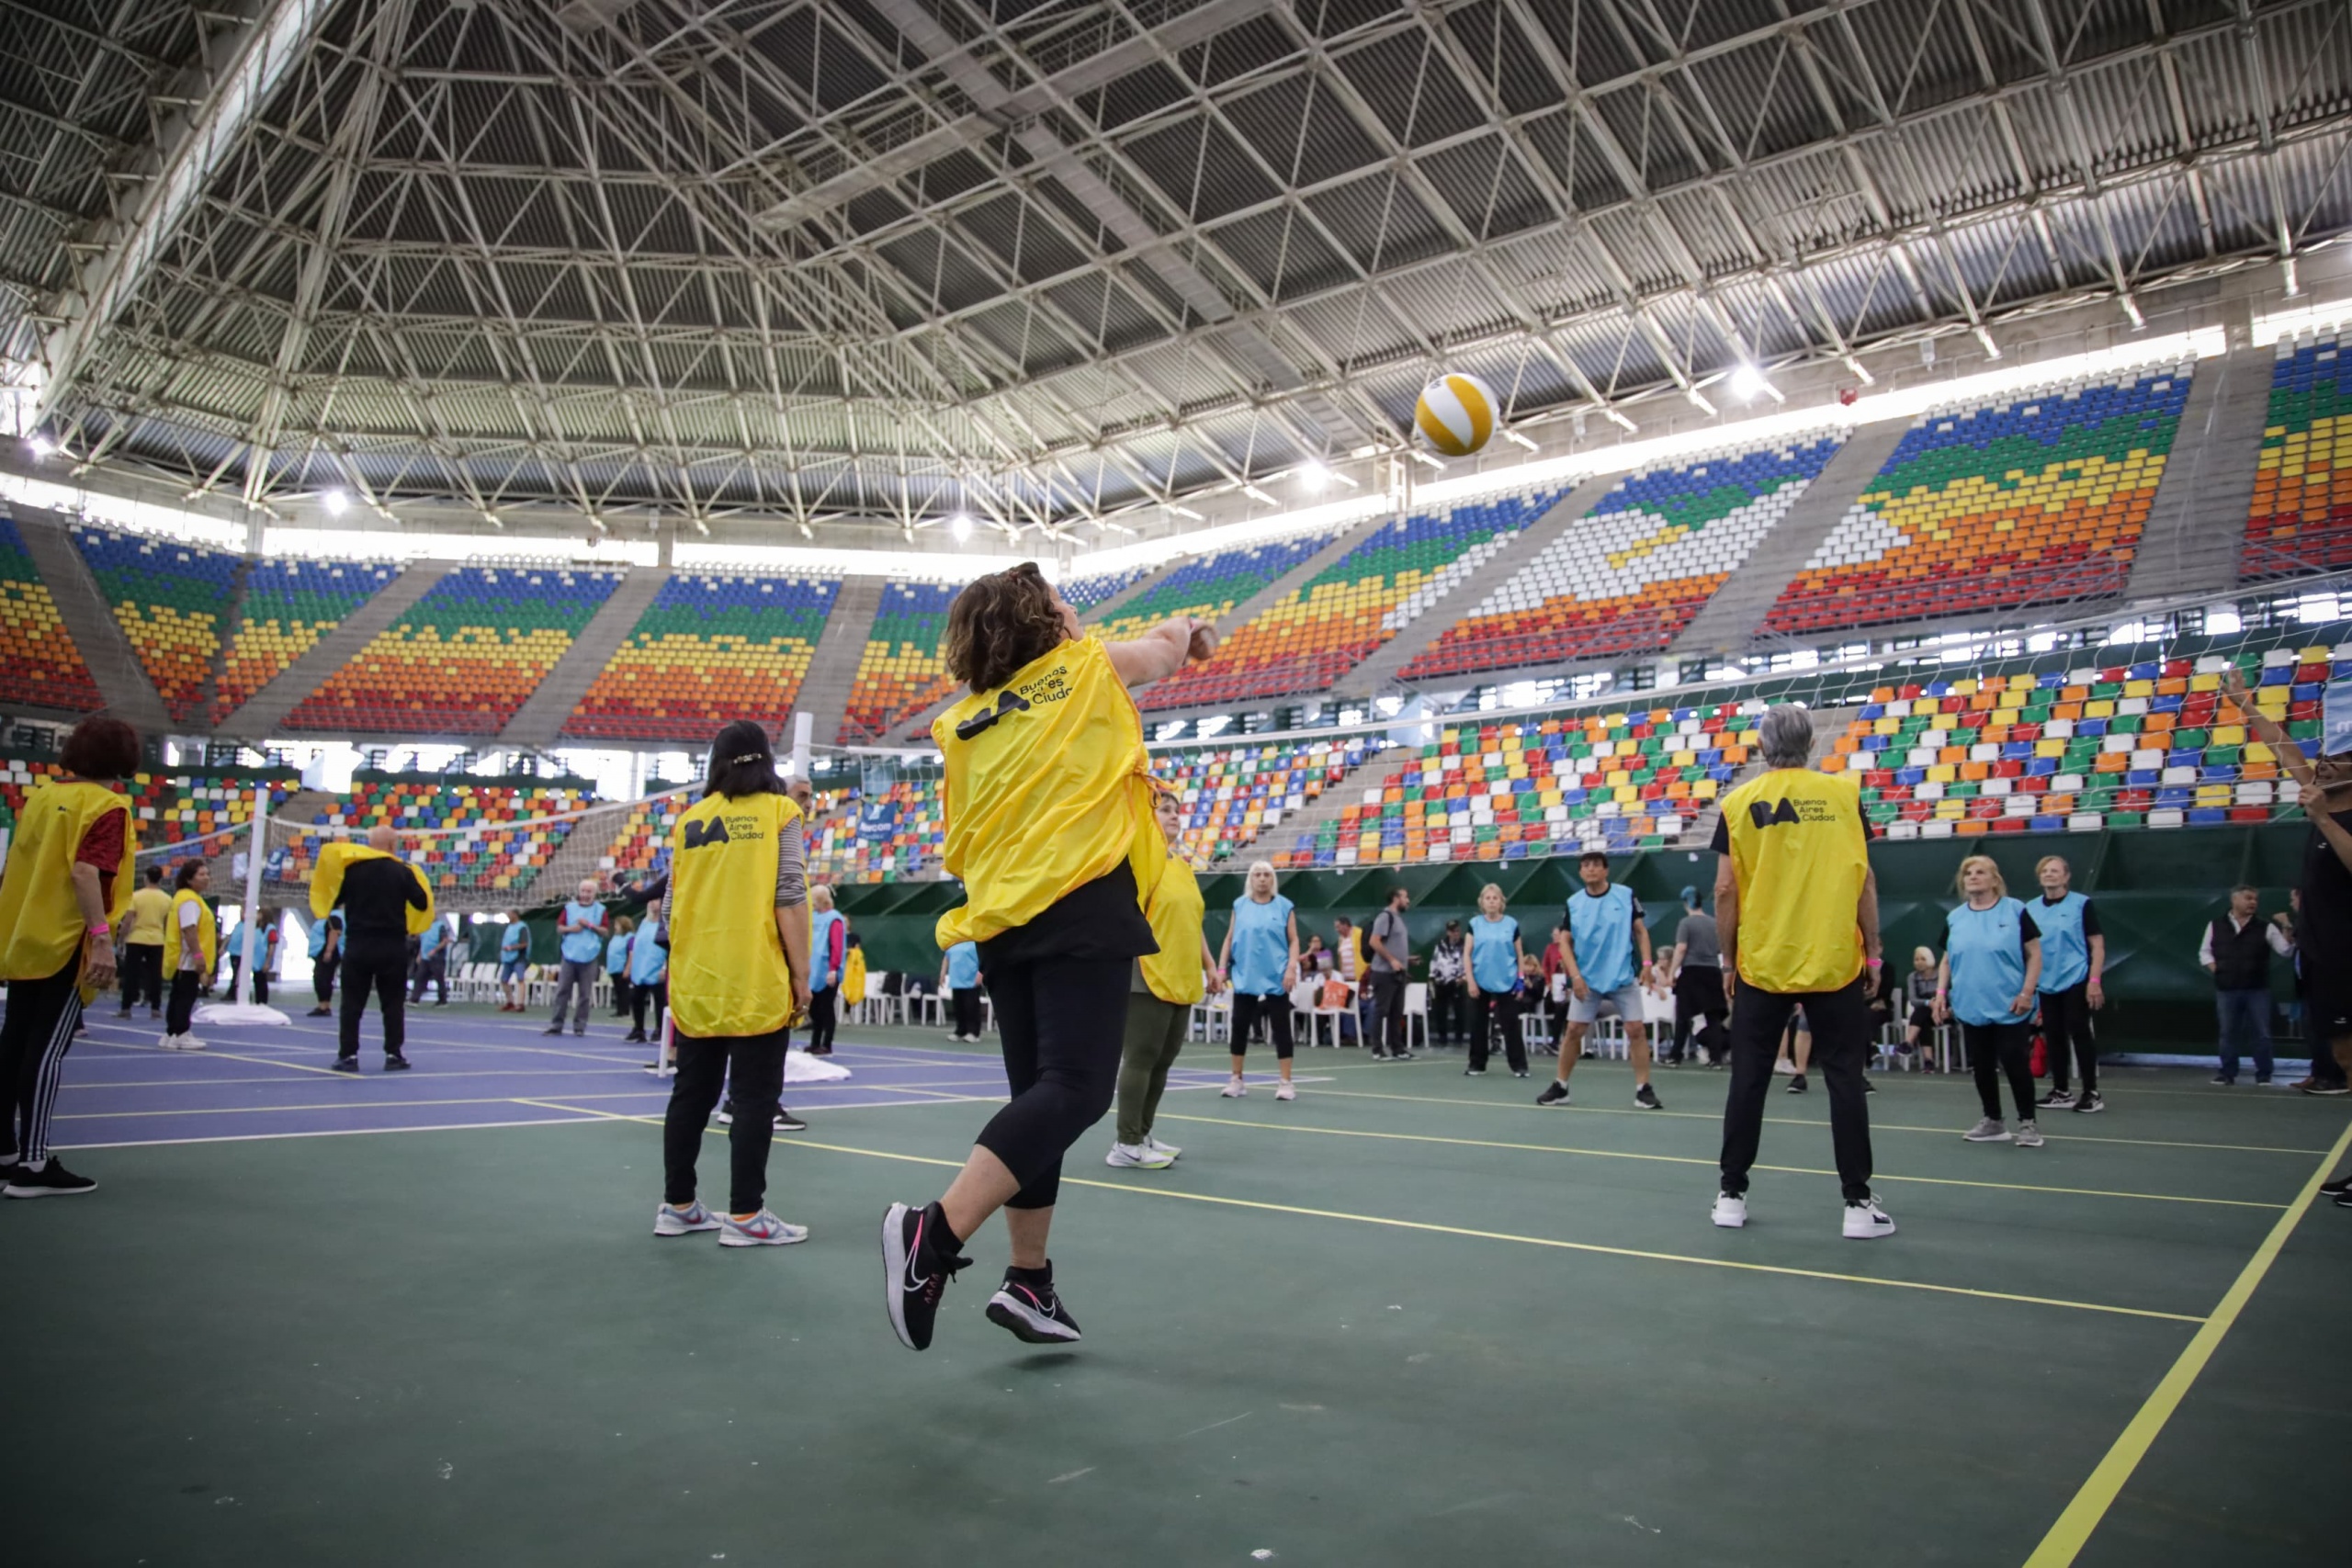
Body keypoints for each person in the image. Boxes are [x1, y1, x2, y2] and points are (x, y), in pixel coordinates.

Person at [880, 560, 1214, 1353]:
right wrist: (1189, 630)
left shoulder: (966, 721)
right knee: (1077, 1090)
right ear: (1042, 621)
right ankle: (934, 1234)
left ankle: (1029, 1281)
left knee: (1040, 1099)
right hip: (1078, 901)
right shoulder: (1085, 667)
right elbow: (1162, 653)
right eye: (1064, 602)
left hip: (1002, 921)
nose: (1075, 611)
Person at [1711, 703, 1891, 1239]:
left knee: (1749, 1080)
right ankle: (1857, 1206)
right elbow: (1865, 880)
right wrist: (1874, 951)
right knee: (1844, 1081)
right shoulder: (1845, 795)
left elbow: (1724, 891)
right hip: (1833, 959)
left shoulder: (1737, 802)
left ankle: (1731, 1195)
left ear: (1762, 747)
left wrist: (1728, 959)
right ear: (1811, 744)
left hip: (1762, 961)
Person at [654, 720, 813, 1248]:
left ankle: (678, 1206)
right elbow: (789, 893)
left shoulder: (689, 822)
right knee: (753, 1100)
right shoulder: (780, 813)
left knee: (690, 1096)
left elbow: (671, 908)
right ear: (767, 760)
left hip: (697, 977)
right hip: (754, 977)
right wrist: (801, 974)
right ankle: (746, 1215)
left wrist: (677, 965)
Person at [0, 716, 136, 1198]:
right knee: (45, 1050)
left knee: (12, 1044)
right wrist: (101, 936)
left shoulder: (39, 796)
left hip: (25, 938)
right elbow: (85, 873)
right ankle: (34, 1167)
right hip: (66, 944)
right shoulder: (107, 806)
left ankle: (6, 1153)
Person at [1108, 785, 1219, 1168]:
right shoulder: (1138, 863)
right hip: (1147, 974)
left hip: (1182, 975)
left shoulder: (1182, 866)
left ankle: (1142, 1134)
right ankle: (1125, 1144)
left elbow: (1193, 923)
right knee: (1140, 1058)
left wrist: (1210, 966)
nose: (1174, 815)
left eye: (1177, 810)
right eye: (1165, 810)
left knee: (1163, 1061)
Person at [1536, 850, 1663, 1110]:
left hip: (1622, 977)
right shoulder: (1574, 903)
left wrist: (1648, 964)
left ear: (1606, 870)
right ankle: (1560, 1086)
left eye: (1596, 865)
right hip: (1588, 981)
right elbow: (1564, 944)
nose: (1591, 869)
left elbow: (1641, 932)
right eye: (1585, 865)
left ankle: (1643, 1089)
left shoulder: (1625, 896)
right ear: (1581, 873)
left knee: (1636, 1030)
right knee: (1573, 1031)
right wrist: (1576, 977)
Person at [1937, 854, 2045, 1145]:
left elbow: (2034, 954)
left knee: (2014, 1060)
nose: (1973, 876)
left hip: (2010, 1003)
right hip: (1970, 1004)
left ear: (1994, 879)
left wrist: (2027, 992)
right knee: (1982, 1064)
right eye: (1968, 873)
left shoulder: (2015, 910)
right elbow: (1946, 960)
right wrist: (1940, 994)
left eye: (1980, 872)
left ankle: (2028, 1124)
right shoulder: (1955, 917)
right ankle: (1993, 1121)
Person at [313, 825, 432, 1072]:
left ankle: (348, 1055)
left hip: (359, 944)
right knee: (392, 1004)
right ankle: (393, 1053)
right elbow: (421, 903)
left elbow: (334, 900)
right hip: (391, 945)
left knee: (351, 1003)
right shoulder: (402, 871)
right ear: (391, 846)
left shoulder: (353, 870)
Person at [1215, 859, 1301, 1100]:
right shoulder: (1239, 905)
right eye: (1257, 875)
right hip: (1245, 974)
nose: (1262, 879)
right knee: (1239, 1026)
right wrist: (1222, 970)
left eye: (1266, 875)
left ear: (1273, 879)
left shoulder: (1285, 906)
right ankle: (1236, 1079)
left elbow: (1294, 940)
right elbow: (1229, 938)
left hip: (1277, 976)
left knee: (1281, 1027)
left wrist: (1291, 967)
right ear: (1250, 879)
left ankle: (1286, 1083)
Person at [2030, 855, 2107, 1113]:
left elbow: (2097, 944)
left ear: (2066, 876)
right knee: (2053, 1035)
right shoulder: (2030, 908)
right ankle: (2061, 1091)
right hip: (2046, 981)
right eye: (2045, 871)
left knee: (2079, 1030)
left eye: (2055, 871)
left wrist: (2094, 981)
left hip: (2076, 977)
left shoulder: (2081, 904)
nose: (2049, 874)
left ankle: (2091, 1092)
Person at [2199, 884, 2290, 1086]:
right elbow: (2204, 952)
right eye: (2248, 898)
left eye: (2255, 899)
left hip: (2257, 988)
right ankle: (2227, 1073)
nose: (2253, 903)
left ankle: (2264, 1073)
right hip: (2227, 988)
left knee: (2262, 1033)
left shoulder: (2265, 927)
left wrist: (2286, 927)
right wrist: (2217, 970)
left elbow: (2285, 951)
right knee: (2228, 1032)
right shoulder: (2215, 925)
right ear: (2234, 900)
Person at [1463, 883, 1526, 1077]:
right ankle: (1477, 1064)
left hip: (1506, 979)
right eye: (1488, 898)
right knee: (1477, 1023)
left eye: (1495, 898)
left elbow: (1519, 954)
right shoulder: (1474, 924)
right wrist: (1471, 981)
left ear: (1501, 902)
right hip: (1480, 979)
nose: (1491, 902)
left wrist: (1520, 980)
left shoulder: (1511, 924)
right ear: (1482, 902)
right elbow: (1467, 954)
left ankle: (1519, 1066)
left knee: (1510, 1024)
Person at [1666, 886, 1727, 1067]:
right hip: (1713, 972)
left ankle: (1675, 1056)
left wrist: (1672, 972)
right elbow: (1719, 948)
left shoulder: (1686, 923)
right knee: (1713, 1017)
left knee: (1683, 1015)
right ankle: (1716, 1058)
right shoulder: (1714, 923)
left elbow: (1681, 948)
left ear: (1686, 903)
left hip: (1692, 971)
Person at [162, 860, 215, 1051]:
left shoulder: (183, 898)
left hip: (183, 956)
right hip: (187, 957)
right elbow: (189, 929)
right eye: (201, 874)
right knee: (185, 995)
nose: (206, 877)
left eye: (207, 873)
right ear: (188, 878)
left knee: (177, 995)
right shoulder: (189, 901)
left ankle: (171, 1033)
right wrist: (198, 955)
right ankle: (181, 1032)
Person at [546, 880, 607, 1036]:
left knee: (585, 995)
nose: (586, 894)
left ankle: (580, 1027)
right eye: (584, 891)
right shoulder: (569, 908)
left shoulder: (601, 910)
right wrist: (571, 929)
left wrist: (590, 925)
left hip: (589, 956)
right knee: (562, 991)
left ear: (595, 893)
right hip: (569, 955)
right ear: (579, 892)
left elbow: (605, 931)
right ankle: (556, 1024)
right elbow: (560, 928)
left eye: (589, 892)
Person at [1367, 886, 1416, 1061]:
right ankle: (1377, 1049)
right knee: (1381, 1011)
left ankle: (1398, 1048)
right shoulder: (1385, 917)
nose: (1408, 900)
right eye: (1405, 896)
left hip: (1398, 973)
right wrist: (1392, 960)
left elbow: (1393, 945)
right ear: (1396, 898)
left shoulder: (1398, 919)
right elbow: (1374, 941)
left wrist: (1405, 959)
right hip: (1384, 973)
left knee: (1397, 1012)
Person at [118, 864, 169, 1021]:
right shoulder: (167, 899)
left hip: (136, 938)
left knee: (131, 975)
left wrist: (120, 939)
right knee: (155, 976)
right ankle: (155, 1008)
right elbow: (167, 924)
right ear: (161, 878)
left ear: (145, 877)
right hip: (158, 940)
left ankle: (126, 1008)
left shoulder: (136, 896)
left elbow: (127, 922)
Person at [805, 886, 847, 1055]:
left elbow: (836, 946)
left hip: (828, 971)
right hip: (813, 970)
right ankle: (814, 1042)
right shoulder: (813, 917)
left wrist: (833, 969)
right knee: (814, 1008)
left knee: (826, 1008)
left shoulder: (834, 919)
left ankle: (826, 1044)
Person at [627, 915, 669, 1044]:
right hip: (641, 970)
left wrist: (665, 967)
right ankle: (639, 1029)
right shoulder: (644, 923)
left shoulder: (666, 923)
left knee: (660, 1002)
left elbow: (671, 946)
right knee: (636, 999)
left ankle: (660, 1030)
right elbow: (637, 945)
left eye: (655, 900)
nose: (652, 903)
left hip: (658, 969)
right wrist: (631, 966)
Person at [1427, 919, 1467, 1047]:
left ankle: (1459, 1038)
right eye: (1453, 931)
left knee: (1459, 1011)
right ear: (1448, 932)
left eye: (1457, 931)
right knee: (1440, 1011)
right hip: (1441, 982)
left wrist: (1464, 977)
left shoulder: (1465, 945)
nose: (1456, 933)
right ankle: (1442, 1037)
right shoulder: (1440, 945)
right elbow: (1434, 961)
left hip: (1458, 981)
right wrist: (1433, 977)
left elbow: (1469, 962)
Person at [1904, 947, 1940, 1067]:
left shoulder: (1941, 974)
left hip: (1942, 1011)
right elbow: (1913, 1000)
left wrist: (1938, 1005)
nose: (1919, 962)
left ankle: (1908, 1042)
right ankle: (1928, 1060)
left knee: (1921, 1014)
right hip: (1924, 1012)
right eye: (1916, 959)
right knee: (1922, 1015)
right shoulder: (1912, 977)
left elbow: (1949, 994)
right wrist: (1928, 1003)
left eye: (1923, 959)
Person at [941, 940, 983, 1041]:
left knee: (971, 1007)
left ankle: (973, 1033)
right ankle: (960, 1031)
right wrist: (942, 973)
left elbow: (984, 959)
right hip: (956, 981)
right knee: (958, 1007)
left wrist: (981, 974)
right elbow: (947, 958)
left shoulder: (976, 943)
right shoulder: (953, 943)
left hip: (971, 981)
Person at [305, 905, 343, 1018]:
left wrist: (328, 951)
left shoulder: (334, 917)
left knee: (322, 978)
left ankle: (324, 1005)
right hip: (321, 951)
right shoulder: (326, 918)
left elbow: (334, 932)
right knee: (324, 978)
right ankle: (324, 1005)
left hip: (326, 951)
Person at [409, 912, 452, 1006]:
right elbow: (423, 941)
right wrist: (420, 955)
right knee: (419, 977)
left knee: (439, 979)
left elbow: (445, 941)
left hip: (437, 958)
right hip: (425, 958)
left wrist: (434, 951)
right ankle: (414, 1000)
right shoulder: (424, 927)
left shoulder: (440, 926)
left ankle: (442, 1001)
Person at [497, 913, 531, 1011]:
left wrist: (511, 948)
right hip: (508, 959)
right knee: (504, 980)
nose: (508, 916)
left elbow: (524, 944)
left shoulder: (522, 927)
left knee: (520, 979)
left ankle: (520, 1004)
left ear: (515, 915)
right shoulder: (509, 928)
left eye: (509, 914)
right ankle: (510, 1002)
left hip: (519, 958)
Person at [605, 915, 636, 1017]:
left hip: (622, 968)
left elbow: (632, 953)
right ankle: (619, 1010)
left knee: (624, 990)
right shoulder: (615, 937)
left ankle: (624, 1010)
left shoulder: (630, 938)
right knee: (618, 990)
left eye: (617, 924)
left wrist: (627, 968)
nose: (615, 927)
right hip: (614, 968)